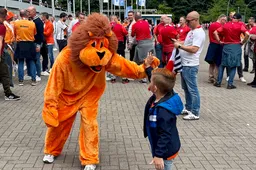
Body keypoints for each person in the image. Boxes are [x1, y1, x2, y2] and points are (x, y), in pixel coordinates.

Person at [144, 60, 183, 170]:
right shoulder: (165, 91)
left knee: (165, 167)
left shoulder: (163, 110)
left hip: (166, 151)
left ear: (155, 88)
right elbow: (158, 80)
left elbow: (165, 134)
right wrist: (148, 68)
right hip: (163, 147)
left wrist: (159, 155)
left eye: (150, 81)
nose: (149, 83)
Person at [174, 11, 206, 120]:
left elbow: (194, 49)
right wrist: (179, 42)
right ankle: (188, 107)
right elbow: (188, 43)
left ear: (196, 20)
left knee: (192, 89)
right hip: (185, 63)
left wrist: (179, 46)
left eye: (188, 21)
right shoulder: (192, 31)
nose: (187, 23)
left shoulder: (199, 33)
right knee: (186, 88)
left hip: (190, 64)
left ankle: (195, 112)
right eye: (186, 20)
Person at [214, 13, 249, 89]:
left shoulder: (226, 25)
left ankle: (218, 82)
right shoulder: (240, 25)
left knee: (222, 65)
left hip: (226, 46)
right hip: (236, 46)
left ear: (232, 18)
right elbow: (247, 34)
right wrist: (243, 42)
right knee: (234, 65)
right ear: (239, 19)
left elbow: (215, 32)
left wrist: (219, 41)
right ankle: (230, 84)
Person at [0, 8, 20, 100]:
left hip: (5, 48)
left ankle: (8, 93)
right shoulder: (2, 26)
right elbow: (0, 41)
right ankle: (8, 94)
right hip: (3, 51)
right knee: (5, 73)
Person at [14, 10, 37, 86]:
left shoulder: (16, 23)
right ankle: (33, 80)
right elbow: (34, 33)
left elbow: (15, 33)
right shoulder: (32, 23)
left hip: (20, 44)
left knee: (20, 61)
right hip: (30, 44)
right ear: (27, 15)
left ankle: (21, 80)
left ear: (20, 15)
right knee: (31, 61)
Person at [204, 14, 227, 83]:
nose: (225, 22)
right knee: (218, 62)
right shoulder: (219, 26)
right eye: (225, 20)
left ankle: (211, 76)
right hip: (218, 44)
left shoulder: (212, 25)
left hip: (212, 44)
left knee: (212, 62)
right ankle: (216, 78)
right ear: (221, 19)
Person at [27, 6, 44, 82]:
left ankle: (38, 74)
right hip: (32, 43)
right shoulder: (32, 20)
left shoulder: (38, 21)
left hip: (36, 43)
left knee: (36, 59)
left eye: (29, 11)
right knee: (32, 59)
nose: (28, 13)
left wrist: (38, 45)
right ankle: (32, 73)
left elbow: (40, 34)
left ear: (34, 12)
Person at [110, 15, 129, 83]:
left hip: (112, 44)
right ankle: (124, 77)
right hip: (120, 44)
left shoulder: (108, 27)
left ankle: (113, 77)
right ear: (116, 19)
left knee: (113, 60)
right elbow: (126, 34)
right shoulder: (120, 26)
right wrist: (128, 43)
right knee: (122, 60)